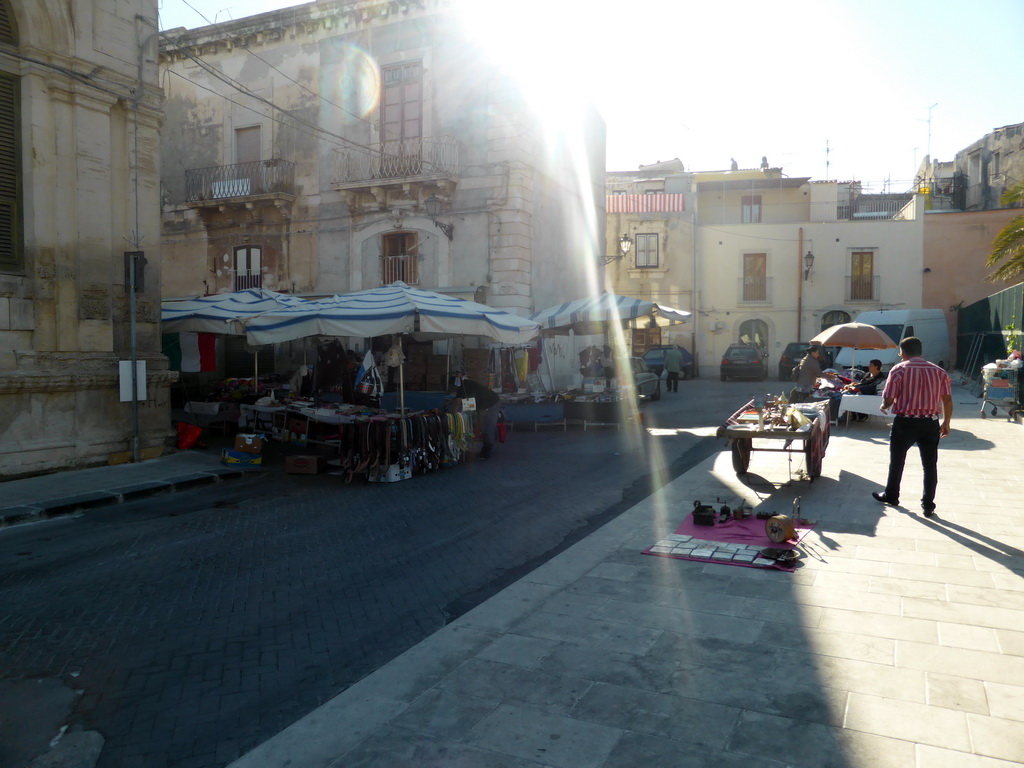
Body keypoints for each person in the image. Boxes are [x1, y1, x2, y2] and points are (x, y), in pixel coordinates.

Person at [872, 337, 952, 517]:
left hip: (905, 422)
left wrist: (883, 406)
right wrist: (946, 422)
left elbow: (889, 399)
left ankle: (892, 495)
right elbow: (947, 399)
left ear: (904, 352)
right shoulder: (939, 371)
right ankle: (928, 504)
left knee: (897, 462)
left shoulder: (899, 370)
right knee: (930, 465)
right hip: (930, 423)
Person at [449, 375, 500, 459]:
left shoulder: (461, 387)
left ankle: (486, 453)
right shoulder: (466, 383)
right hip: (487, 403)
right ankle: (485, 448)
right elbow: (458, 398)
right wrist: (449, 402)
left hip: (490, 405)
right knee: (483, 428)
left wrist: (453, 415)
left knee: (487, 430)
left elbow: (457, 402)